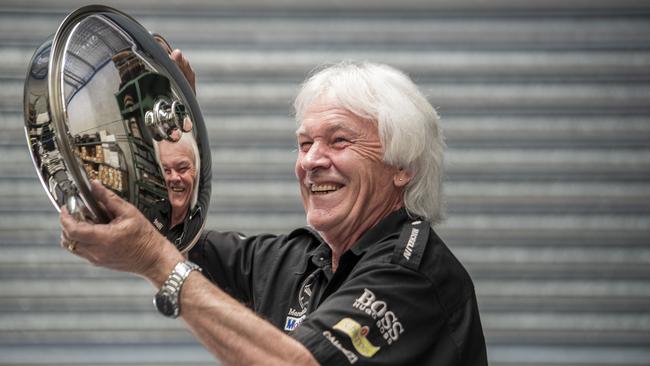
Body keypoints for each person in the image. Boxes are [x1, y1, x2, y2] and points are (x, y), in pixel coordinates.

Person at [60, 60, 488, 365]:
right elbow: (171, 236)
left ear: (403, 168)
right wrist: (170, 140)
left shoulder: (413, 275)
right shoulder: (301, 260)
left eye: (339, 141)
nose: (311, 161)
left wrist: (157, 264)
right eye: (305, 144)